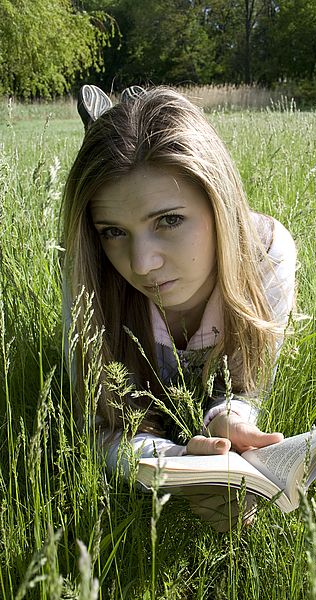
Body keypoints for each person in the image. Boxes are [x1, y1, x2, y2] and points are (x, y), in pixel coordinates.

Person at [61, 85, 297, 531]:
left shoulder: (268, 254)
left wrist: (229, 417)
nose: (141, 264)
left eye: (168, 220)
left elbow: (246, 383)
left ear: (219, 205)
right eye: (114, 231)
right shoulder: (89, 271)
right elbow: (102, 425)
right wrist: (171, 467)